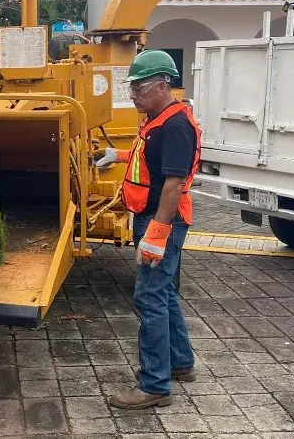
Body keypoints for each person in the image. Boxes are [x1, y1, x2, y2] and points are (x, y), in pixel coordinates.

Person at [95, 50, 201, 410]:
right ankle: (180, 363)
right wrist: (117, 154)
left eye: (139, 88)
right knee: (166, 293)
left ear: (162, 85)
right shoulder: (159, 120)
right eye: (132, 88)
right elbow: (148, 158)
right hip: (155, 217)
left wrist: (156, 234)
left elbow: (173, 184)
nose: (133, 95)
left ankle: (154, 385)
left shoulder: (175, 127)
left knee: (149, 298)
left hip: (162, 220)